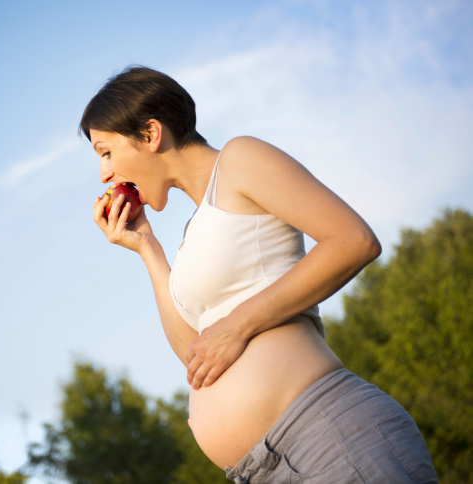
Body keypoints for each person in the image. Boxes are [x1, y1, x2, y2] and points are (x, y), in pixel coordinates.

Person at [84, 66, 438, 483]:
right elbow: (197, 357)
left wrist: (238, 325)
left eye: (106, 152)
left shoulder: (240, 159)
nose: (105, 174)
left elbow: (354, 240)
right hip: (259, 472)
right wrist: (147, 246)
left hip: (325, 437)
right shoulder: (193, 234)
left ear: (150, 134)